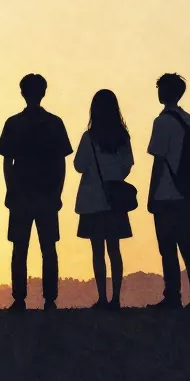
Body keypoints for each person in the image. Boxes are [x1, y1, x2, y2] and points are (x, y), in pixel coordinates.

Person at [0, 73, 72, 311]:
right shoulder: (55, 123)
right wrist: (58, 191)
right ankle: (50, 298)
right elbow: (61, 163)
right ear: (44, 92)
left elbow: (7, 162)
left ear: (22, 93)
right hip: (46, 192)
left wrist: (10, 188)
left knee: (20, 248)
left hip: (21, 192)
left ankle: (19, 298)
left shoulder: (13, 123)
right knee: (48, 248)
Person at [146, 73, 190, 309]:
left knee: (167, 248)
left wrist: (151, 194)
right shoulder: (189, 120)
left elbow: (159, 161)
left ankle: (172, 296)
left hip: (166, 193)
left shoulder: (162, 122)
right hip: (185, 191)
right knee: (187, 245)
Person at [73, 89, 134, 310]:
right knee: (114, 250)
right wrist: (114, 176)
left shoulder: (89, 138)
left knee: (97, 251)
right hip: (114, 199)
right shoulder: (122, 137)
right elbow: (128, 165)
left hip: (92, 200)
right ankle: (116, 297)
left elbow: (79, 165)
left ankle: (102, 297)